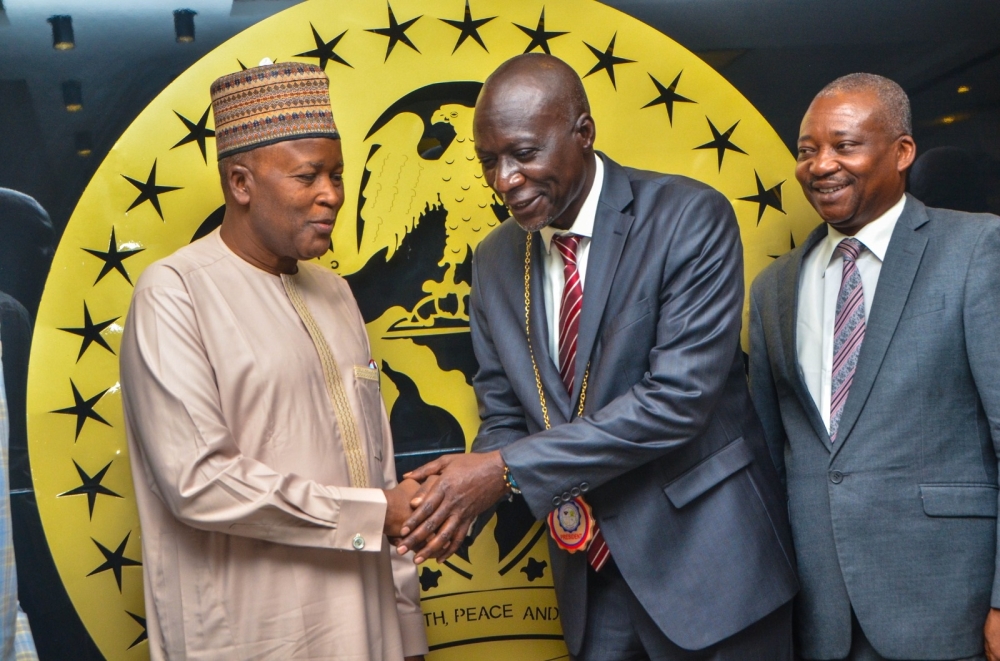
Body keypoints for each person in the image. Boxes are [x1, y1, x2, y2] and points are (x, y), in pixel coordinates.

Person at [398, 53, 798, 660]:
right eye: (488, 161)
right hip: (592, 577)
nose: (504, 179)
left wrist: (501, 472)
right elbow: (505, 411)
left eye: (523, 153)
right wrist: (448, 507)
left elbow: (676, 401)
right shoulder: (496, 258)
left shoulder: (688, 216)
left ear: (583, 133)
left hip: (712, 571)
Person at [120, 61, 427, 661]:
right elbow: (199, 482)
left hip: (370, 634)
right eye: (308, 176)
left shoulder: (336, 292)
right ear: (241, 182)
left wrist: (406, 624)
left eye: (338, 174)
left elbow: (377, 468)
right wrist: (369, 514)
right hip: (254, 637)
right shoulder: (174, 291)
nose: (332, 195)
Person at [749, 73, 1000, 661]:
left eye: (845, 145)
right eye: (808, 150)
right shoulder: (773, 289)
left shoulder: (975, 250)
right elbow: (767, 457)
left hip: (948, 609)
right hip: (818, 617)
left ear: (903, 152)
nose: (821, 165)